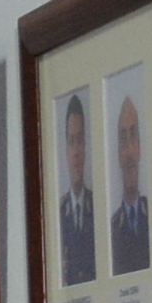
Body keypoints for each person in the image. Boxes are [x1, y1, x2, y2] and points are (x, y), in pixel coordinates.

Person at [110, 89, 152, 275]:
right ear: (117, 153)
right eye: (123, 139)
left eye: (133, 136)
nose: (128, 151)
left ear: (140, 146)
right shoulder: (112, 229)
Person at [59, 95, 100, 285]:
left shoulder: (98, 208)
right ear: (66, 149)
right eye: (71, 141)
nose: (76, 152)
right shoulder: (58, 214)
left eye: (80, 141)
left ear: (85, 146)